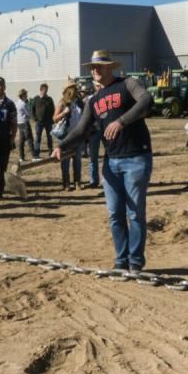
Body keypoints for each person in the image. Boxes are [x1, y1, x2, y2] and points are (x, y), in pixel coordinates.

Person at [53, 50, 153, 272]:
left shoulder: (128, 84)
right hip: (111, 163)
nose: (94, 70)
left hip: (136, 157)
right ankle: (121, 260)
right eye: (92, 67)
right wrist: (62, 145)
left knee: (135, 214)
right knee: (115, 215)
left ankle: (135, 262)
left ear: (110, 67)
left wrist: (122, 121)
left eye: (99, 66)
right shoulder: (93, 100)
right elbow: (81, 129)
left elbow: (146, 100)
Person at [53, 82, 84, 191]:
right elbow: (54, 118)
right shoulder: (62, 103)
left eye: (75, 88)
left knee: (77, 160)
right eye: (72, 88)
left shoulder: (79, 102)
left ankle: (77, 182)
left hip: (77, 136)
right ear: (67, 90)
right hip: (65, 137)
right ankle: (66, 183)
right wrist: (63, 113)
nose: (74, 90)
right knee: (65, 162)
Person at [83, 81, 103, 187]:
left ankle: (108, 181)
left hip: (106, 130)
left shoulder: (107, 96)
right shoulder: (89, 100)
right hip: (94, 131)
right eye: (97, 85)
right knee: (92, 157)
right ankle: (94, 180)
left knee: (111, 156)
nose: (99, 87)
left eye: (100, 85)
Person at [31, 83, 55, 158]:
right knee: (38, 138)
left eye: (46, 90)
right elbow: (32, 109)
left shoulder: (49, 99)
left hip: (48, 122)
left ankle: (50, 151)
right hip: (39, 122)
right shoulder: (36, 98)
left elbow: (53, 109)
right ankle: (36, 153)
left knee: (49, 137)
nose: (46, 92)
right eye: (44, 90)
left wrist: (52, 118)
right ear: (41, 90)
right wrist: (35, 118)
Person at [15, 88, 36, 161]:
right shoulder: (23, 104)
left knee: (21, 141)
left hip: (19, 123)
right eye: (26, 94)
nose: (27, 95)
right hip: (25, 123)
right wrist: (32, 117)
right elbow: (29, 113)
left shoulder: (18, 103)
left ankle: (21, 157)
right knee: (30, 139)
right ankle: (34, 156)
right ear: (23, 95)